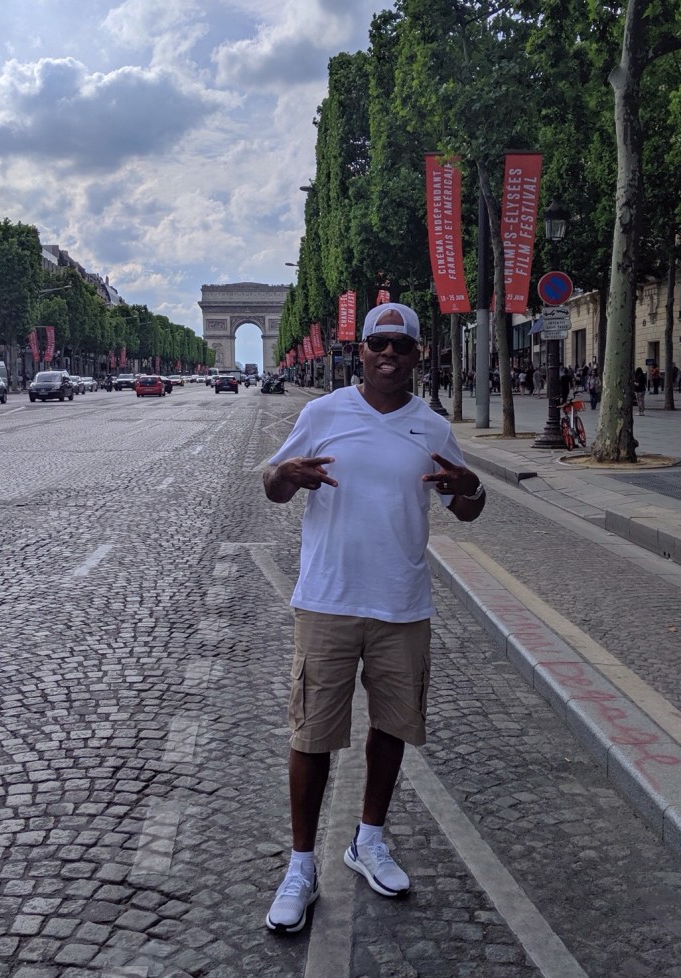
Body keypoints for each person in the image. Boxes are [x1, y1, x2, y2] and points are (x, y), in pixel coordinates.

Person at [262, 302, 486, 934]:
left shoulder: (433, 426)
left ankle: (369, 840)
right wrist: (285, 474)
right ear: (359, 349)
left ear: (418, 354)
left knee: (392, 729)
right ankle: (300, 867)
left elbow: (467, 504)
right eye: (378, 344)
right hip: (327, 600)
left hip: (401, 603)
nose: (389, 354)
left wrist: (470, 488)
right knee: (311, 736)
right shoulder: (321, 413)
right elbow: (273, 486)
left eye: (401, 346)